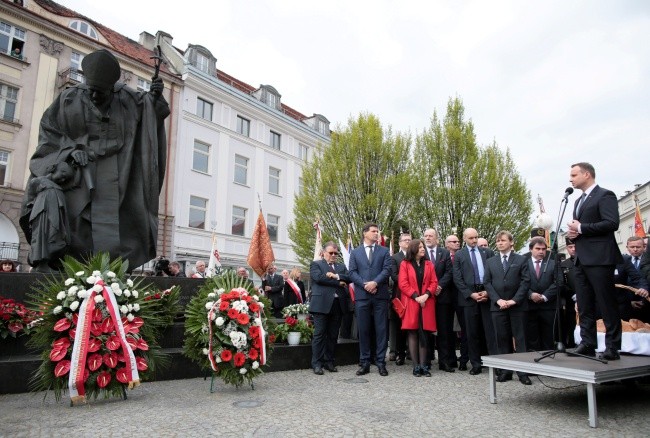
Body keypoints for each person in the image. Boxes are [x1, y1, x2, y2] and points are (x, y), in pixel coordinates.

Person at [20, 48, 169, 272]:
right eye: (91, 90)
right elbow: (50, 133)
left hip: (117, 170)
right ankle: (68, 273)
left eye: (102, 92)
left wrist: (155, 99)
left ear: (113, 87)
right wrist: (70, 151)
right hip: (77, 170)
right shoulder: (68, 99)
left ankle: (108, 277)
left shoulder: (127, 98)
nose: (95, 96)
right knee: (75, 221)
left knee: (114, 227)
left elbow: (150, 113)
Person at [567, 162, 624, 360]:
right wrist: (574, 234)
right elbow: (583, 228)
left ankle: (613, 346)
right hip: (581, 259)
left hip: (600, 258)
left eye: (574, 175)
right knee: (584, 304)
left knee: (606, 303)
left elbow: (611, 223)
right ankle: (587, 342)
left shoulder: (605, 195)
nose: (571, 179)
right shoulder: (577, 201)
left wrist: (582, 228)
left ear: (587, 174)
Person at [484, 231, 532, 385]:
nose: (499, 243)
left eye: (503, 240)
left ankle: (523, 372)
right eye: (497, 241)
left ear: (511, 242)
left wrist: (514, 300)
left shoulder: (521, 259)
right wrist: (497, 300)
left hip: (517, 307)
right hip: (498, 307)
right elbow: (487, 283)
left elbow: (525, 281)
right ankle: (505, 371)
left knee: (520, 339)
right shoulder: (491, 261)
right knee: (502, 339)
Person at [453, 227, 498, 375]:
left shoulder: (488, 252)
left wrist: (488, 292)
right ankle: (476, 364)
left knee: (490, 332)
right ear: (464, 238)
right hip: (469, 299)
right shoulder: (459, 255)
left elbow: (493, 274)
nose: (474, 240)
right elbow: (457, 278)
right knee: (471, 333)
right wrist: (470, 294)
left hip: (486, 295)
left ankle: (495, 364)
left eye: (476, 237)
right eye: (471, 238)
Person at [349, 223, 392, 376]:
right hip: (362, 296)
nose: (376, 233)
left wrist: (375, 282)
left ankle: (381, 362)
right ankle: (364, 362)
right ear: (365, 233)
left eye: (377, 231)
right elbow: (352, 272)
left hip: (380, 295)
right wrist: (364, 284)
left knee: (381, 330)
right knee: (364, 329)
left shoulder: (384, 251)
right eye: (373, 231)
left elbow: (387, 269)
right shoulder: (355, 252)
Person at [20, 161, 75, 271]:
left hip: (57, 215)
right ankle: (41, 263)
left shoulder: (59, 188)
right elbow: (29, 198)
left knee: (56, 236)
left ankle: (51, 262)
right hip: (43, 213)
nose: (63, 180)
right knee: (42, 235)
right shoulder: (38, 181)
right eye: (63, 175)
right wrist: (32, 205)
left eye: (66, 179)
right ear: (54, 169)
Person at [309, 242, 351, 374]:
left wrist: (335, 276)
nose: (333, 255)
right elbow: (318, 278)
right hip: (321, 305)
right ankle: (317, 363)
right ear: (324, 253)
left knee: (333, 336)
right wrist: (339, 282)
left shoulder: (341, 266)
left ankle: (329, 361)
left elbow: (349, 278)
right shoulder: (316, 264)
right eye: (331, 253)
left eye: (335, 253)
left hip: (338, 305)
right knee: (319, 335)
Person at [399, 239, 438, 377]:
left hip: (426, 303)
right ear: (413, 249)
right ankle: (416, 366)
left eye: (423, 247)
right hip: (412, 302)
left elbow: (434, 282)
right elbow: (403, 284)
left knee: (425, 334)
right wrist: (416, 297)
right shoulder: (405, 264)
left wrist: (426, 295)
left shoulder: (429, 264)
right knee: (413, 333)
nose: (423, 249)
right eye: (420, 247)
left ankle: (424, 365)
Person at [423, 229, 455, 372]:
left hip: (442, 297)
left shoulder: (445, 253)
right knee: (427, 330)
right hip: (426, 297)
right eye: (426, 236)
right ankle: (427, 360)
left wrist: (439, 286)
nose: (428, 238)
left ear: (437, 238)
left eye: (431, 236)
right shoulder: (420, 252)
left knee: (444, 330)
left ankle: (444, 361)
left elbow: (449, 272)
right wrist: (429, 289)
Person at [526, 237, 560, 351]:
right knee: (531, 338)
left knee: (548, 339)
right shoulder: (523, 264)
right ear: (531, 249)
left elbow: (558, 282)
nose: (541, 251)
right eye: (538, 248)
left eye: (544, 249)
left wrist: (545, 296)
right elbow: (519, 283)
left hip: (548, 307)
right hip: (530, 308)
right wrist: (530, 295)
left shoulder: (553, 263)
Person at [446, 234, 469, 370]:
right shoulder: (443, 255)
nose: (457, 243)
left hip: (463, 296)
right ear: (447, 244)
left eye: (458, 241)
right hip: (446, 297)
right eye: (453, 241)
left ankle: (464, 359)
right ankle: (450, 358)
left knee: (465, 329)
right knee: (448, 330)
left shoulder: (464, 256)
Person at [389, 232, 411, 365]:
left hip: (414, 296)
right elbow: (394, 275)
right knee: (399, 327)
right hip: (400, 296)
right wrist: (408, 283)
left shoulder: (416, 256)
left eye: (410, 240)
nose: (408, 242)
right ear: (400, 243)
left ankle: (412, 352)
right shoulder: (395, 258)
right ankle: (400, 353)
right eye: (405, 240)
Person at [560, 237, 578, 347]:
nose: (573, 249)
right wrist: (574, 296)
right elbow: (563, 283)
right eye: (570, 247)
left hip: (588, 300)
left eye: (575, 246)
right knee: (572, 325)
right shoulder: (563, 265)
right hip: (571, 302)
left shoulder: (586, 262)